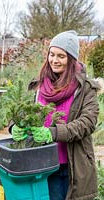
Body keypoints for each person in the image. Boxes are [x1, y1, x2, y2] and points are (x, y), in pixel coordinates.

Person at [27, 30, 100, 200]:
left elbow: (87, 122)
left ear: (71, 59)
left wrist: (52, 132)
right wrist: (15, 126)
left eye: (61, 56)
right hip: (42, 165)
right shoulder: (38, 85)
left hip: (71, 166)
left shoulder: (85, 88)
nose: (54, 60)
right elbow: (22, 111)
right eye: (52, 54)